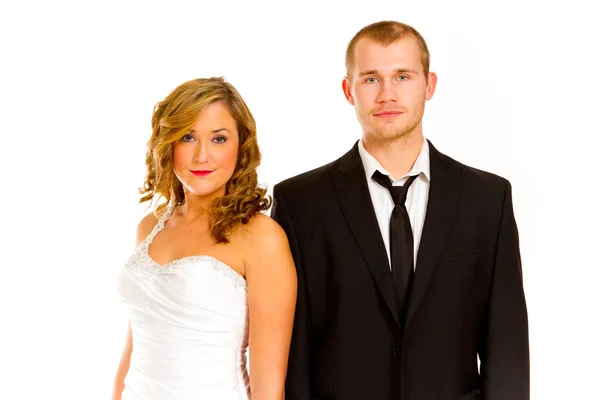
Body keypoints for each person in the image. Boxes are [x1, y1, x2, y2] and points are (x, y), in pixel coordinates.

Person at [271, 20, 529, 400]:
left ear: (430, 85)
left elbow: (506, 343)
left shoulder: (487, 198)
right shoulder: (300, 202)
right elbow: (293, 348)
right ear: (349, 90)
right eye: (371, 79)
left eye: (403, 76)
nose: (387, 94)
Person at [112, 77, 297, 400]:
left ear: (241, 147)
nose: (201, 157)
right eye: (187, 137)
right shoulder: (149, 226)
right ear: (168, 144)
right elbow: (133, 350)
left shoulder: (261, 238)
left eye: (219, 139)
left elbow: (269, 387)